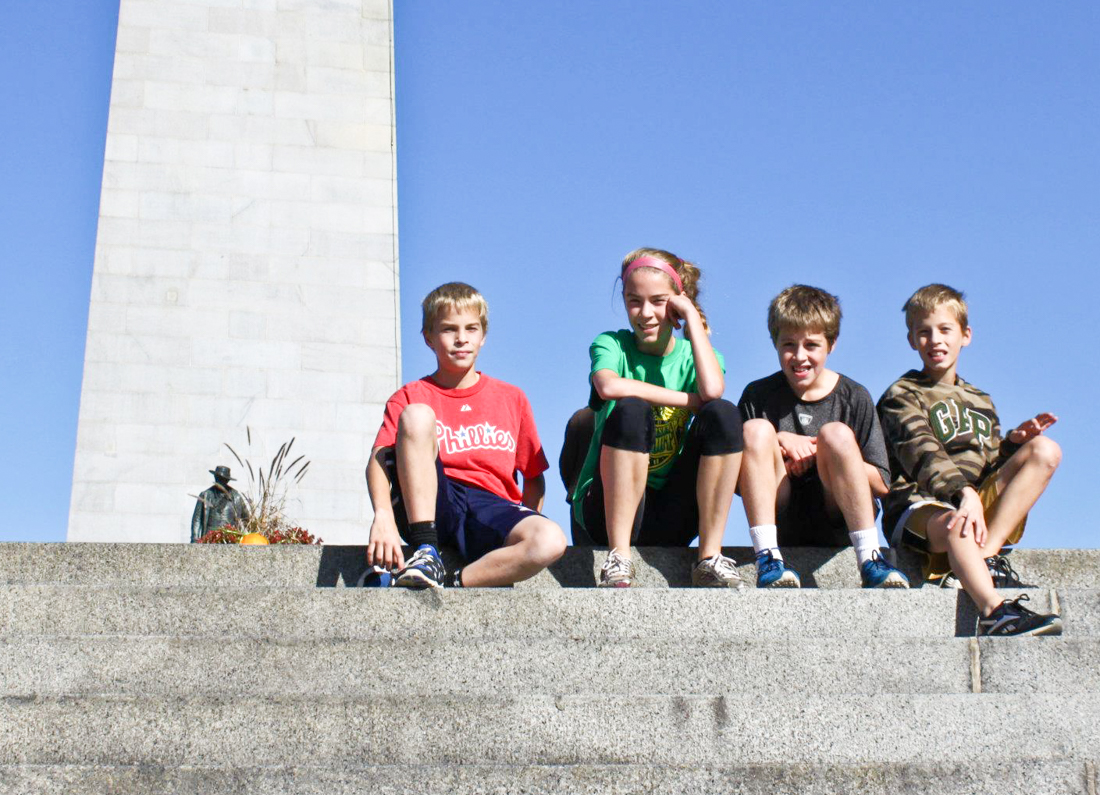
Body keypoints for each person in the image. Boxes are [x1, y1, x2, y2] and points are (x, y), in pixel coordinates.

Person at [877, 284, 1062, 636]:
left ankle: (987, 558)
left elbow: (988, 466)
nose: (935, 340)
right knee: (958, 521)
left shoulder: (980, 399)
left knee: (1045, 450)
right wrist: (964, 494)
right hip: (921, 506)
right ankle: (995, 613)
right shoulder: (900, 395)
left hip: (971, 505)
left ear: (966, 335)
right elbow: (921, 451)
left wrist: (1011, 446)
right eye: (924, 332)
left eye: (945, 330)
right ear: (912, 340)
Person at [364, 282, 566, 588]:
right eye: (448, 329)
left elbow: (534, 477)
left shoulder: (512, 398)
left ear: (483, 335)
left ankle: (456, 580)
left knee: (550, 540)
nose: (461, 339)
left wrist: (522, 526)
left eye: (471, 328)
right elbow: (378, 459)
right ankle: (425, 549)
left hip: (490, 507)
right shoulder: (410, 395)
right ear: (428, 337)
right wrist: (383, 517)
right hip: (433, 500)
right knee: (417, 416)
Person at [570, 248, 745, 588]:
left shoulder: (697, 356)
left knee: (724, 413)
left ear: (678, 302)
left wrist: (692, 319)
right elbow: (607, 385)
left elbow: (713, 391)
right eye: (634, 301)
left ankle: (708, 557)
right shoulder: (612, 344)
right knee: (632, 407)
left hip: (671, 513)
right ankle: (619, 556)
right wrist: (688, 400)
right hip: (607, 510)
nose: (645, 313)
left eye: (658, 301)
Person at [738, 285, 909, 589]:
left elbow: (882, 483)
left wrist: (820, 455)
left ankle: (870, 558)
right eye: (789, 344)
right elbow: (740, 480)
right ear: (774, 343)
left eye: (811, 345)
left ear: (831, 344)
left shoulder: (853, 396)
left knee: (836, 434)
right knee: (755, 430)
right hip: (782, 514)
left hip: (839, 515)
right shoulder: (758, 395)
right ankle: (767, 557)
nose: (799, 356)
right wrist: (779, 441)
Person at [190, 465, 250, 542]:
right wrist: (194, 539)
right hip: (209, 538)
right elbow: (197, 519)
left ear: (227, 480)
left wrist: (250, 537)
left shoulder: (236, 497)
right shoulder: (205, 495)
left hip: (230, 539)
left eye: (223, 479)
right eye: (218, 478)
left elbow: (247, 519)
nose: (220, 481)